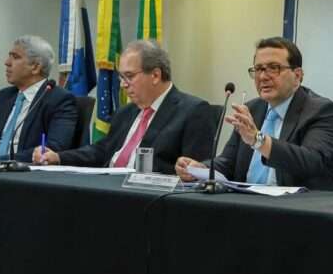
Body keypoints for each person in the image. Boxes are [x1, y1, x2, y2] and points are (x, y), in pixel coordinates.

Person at [175, 37, 333, 190]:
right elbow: (228, 163)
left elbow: (310, 162)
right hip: (250, 206)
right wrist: (200, 169)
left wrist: (258, 140)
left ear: (297, 76)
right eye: (258, 69)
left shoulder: (322, 111)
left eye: (273, 68)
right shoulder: (252, 109)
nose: (263, 76)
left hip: (300, 210)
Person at [35, 40, 215, 174]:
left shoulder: (193, 111)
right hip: (109, 190)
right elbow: (101, 151)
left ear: (155, 75)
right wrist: (59, 157)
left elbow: (192, 172)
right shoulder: (126, 111)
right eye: (121, 77)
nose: (123, 84)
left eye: (129, 76)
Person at [0, 35, 77, 162]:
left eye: (15, 57)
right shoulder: (3, 97)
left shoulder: (59, 99)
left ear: (36, 67)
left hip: (26, 176)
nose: (7, 62)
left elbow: (53, 148)